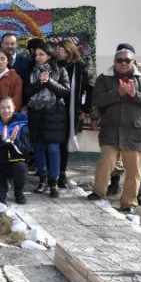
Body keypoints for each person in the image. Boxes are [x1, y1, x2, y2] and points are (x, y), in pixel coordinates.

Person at [87, 47, 141, 214]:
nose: (123, 63)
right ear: (114, 62)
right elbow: (97, 99)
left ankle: (128, 203)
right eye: (119, 60)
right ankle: (98, 192)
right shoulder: (104, 78)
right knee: (106, 162)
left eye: (127, 60)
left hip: (135, 130)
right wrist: (117, 93)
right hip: (111, 128)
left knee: (134, 169)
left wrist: (135, 95)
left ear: (133, 61)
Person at [25, 42, 70, 198]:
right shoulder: (31, 71)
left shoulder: (61, 70)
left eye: (41, 54)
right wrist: (40, 83)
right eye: (36, 55)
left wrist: (49, 81)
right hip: (36, 113)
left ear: (49, 55)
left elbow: (65, 91)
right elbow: (26, 92)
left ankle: (53, 182)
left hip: (54, 115)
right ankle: (42, 180)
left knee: (52, 148)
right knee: (38, 148)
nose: (37, 57)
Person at [55, 40, 93, 189]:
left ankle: (62, 174)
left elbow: (91, 89)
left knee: (64, 143)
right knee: (54, 142)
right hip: (55, 109)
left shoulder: (81, 67)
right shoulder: (56, 65)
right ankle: (51, 172)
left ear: (69, 50)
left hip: (72, 110)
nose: (58, 52)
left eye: (60, 49)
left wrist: (85, 109)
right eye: (57, 49)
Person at [0, 97, 30, 205]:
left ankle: (18, 192)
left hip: (15, 164)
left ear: (14, 108)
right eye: (2, 107)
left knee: (21, 168)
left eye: (9, 107)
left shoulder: (21, 125)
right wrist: (1, 141)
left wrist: (16, 140)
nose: (6, 110)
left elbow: (26, 151)